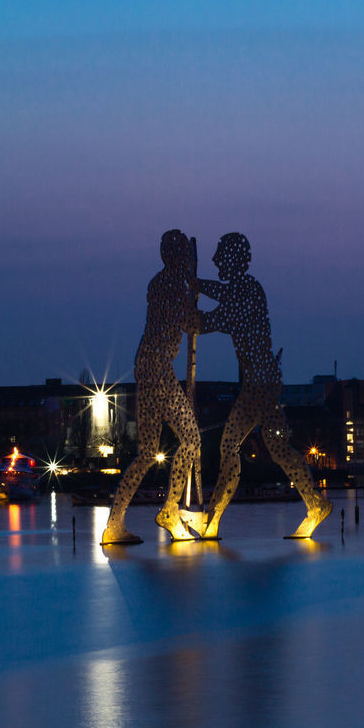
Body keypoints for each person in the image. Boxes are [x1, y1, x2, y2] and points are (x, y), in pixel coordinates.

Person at [179, 232, 332, 539]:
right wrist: (194, 293)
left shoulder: (248, 291)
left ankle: (212, 519)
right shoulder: (242, 290)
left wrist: (191, 301)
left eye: (220, 254)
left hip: (259, 385)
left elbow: (210, 320)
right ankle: (315, 503)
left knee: (229, 447)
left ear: (233, 259)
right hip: (263, 382)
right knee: (279, 450)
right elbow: (216, 303)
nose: (214, 260)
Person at [101, 230, 201, 544]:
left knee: (146, 453)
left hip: (148, 367)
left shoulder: (164, 283)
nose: (183, 262)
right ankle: (170, 510)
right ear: (177, 258)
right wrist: (195, 300)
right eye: (181, 256)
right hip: (157, 368)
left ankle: (114, 524)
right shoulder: (169, 284)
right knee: (192, 439)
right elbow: (189, 323)